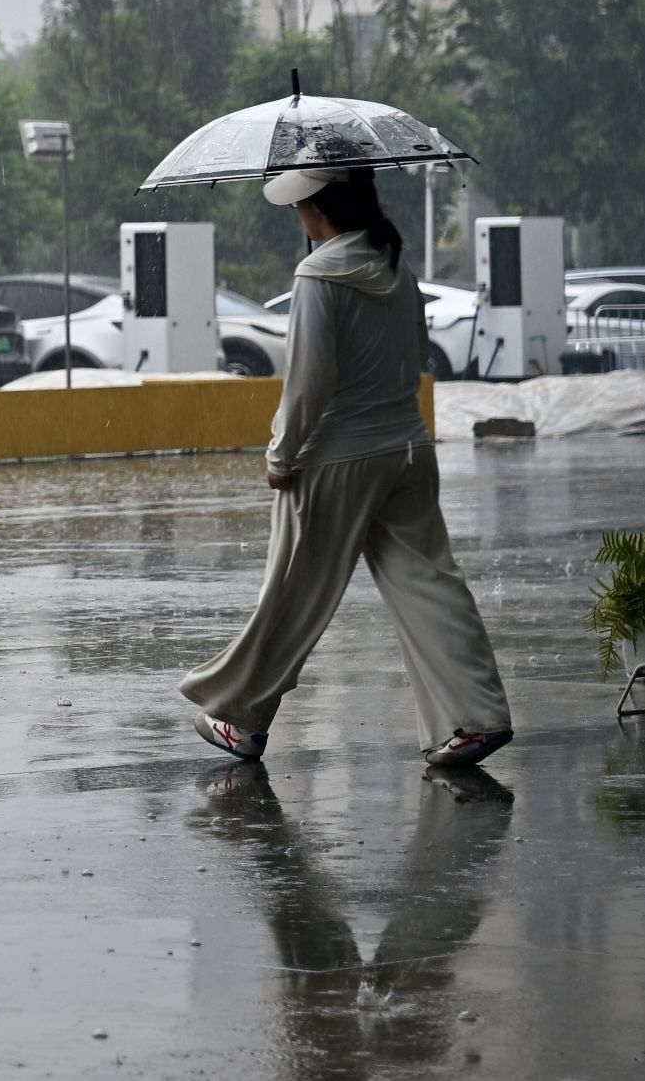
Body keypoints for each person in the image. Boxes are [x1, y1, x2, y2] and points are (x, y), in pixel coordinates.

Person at [180, 165, 514, 770]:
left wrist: (281, 456)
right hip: (407, 450)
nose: (298, 215)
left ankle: (241, 718)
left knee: (295, 592)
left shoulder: (317, 276)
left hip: (337, 458)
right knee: (431, 584)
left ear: (320, 209)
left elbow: (308, 382)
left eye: (300, 205)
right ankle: (476, 717)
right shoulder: (396, 265)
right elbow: (416, 358)